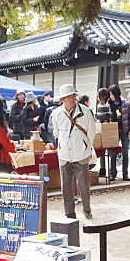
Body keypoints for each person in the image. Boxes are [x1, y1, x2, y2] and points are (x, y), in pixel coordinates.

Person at [51, 83, 96, 219]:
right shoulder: (56, 113)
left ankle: (87, 210)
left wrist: (87, 147)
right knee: (66, 186)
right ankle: (69, 212)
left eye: (73, 96)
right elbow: (57, 133)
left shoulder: (86, 111)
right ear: (62, 99)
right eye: (68, 97)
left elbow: (92, 131)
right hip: (65, 153)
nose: (72, 99)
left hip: (81, 151)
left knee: (83, 185)